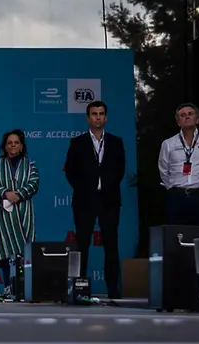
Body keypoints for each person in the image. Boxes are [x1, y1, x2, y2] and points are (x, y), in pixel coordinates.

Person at [63, 99, 126, 297]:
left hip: (109, 200)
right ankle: (80, 289)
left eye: (101, 114)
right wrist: (85, 189)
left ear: (105, 117)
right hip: (84, 201)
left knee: (111, 245)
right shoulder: (77, 142)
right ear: (87, 118)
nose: (97, 117)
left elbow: (120, 170)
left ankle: (113, 291)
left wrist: (107, 187)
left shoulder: (116, 142)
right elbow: (70, 172)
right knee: (82, 245)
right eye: (94, 114)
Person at [0, 129, 40, 298]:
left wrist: (19, 194)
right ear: (5, 146)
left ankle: (25, 287)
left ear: (22, 146)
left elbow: (34, 183)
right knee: (5, 250)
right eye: (10, 143)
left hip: (23, 214)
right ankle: (9, 286)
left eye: (16, 142)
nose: (13, 145)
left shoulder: (30, 165)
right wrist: (5, 193)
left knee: (24, 251)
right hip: (2, 215)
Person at [157, 102, 199, 226]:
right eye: (182, 115)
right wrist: (174, 187)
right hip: (177, 196)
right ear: (178, 122)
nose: (186, 117)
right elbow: (163, 170)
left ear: (197, 119)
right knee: (177, 237)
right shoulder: (168, 144)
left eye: (190, 114)